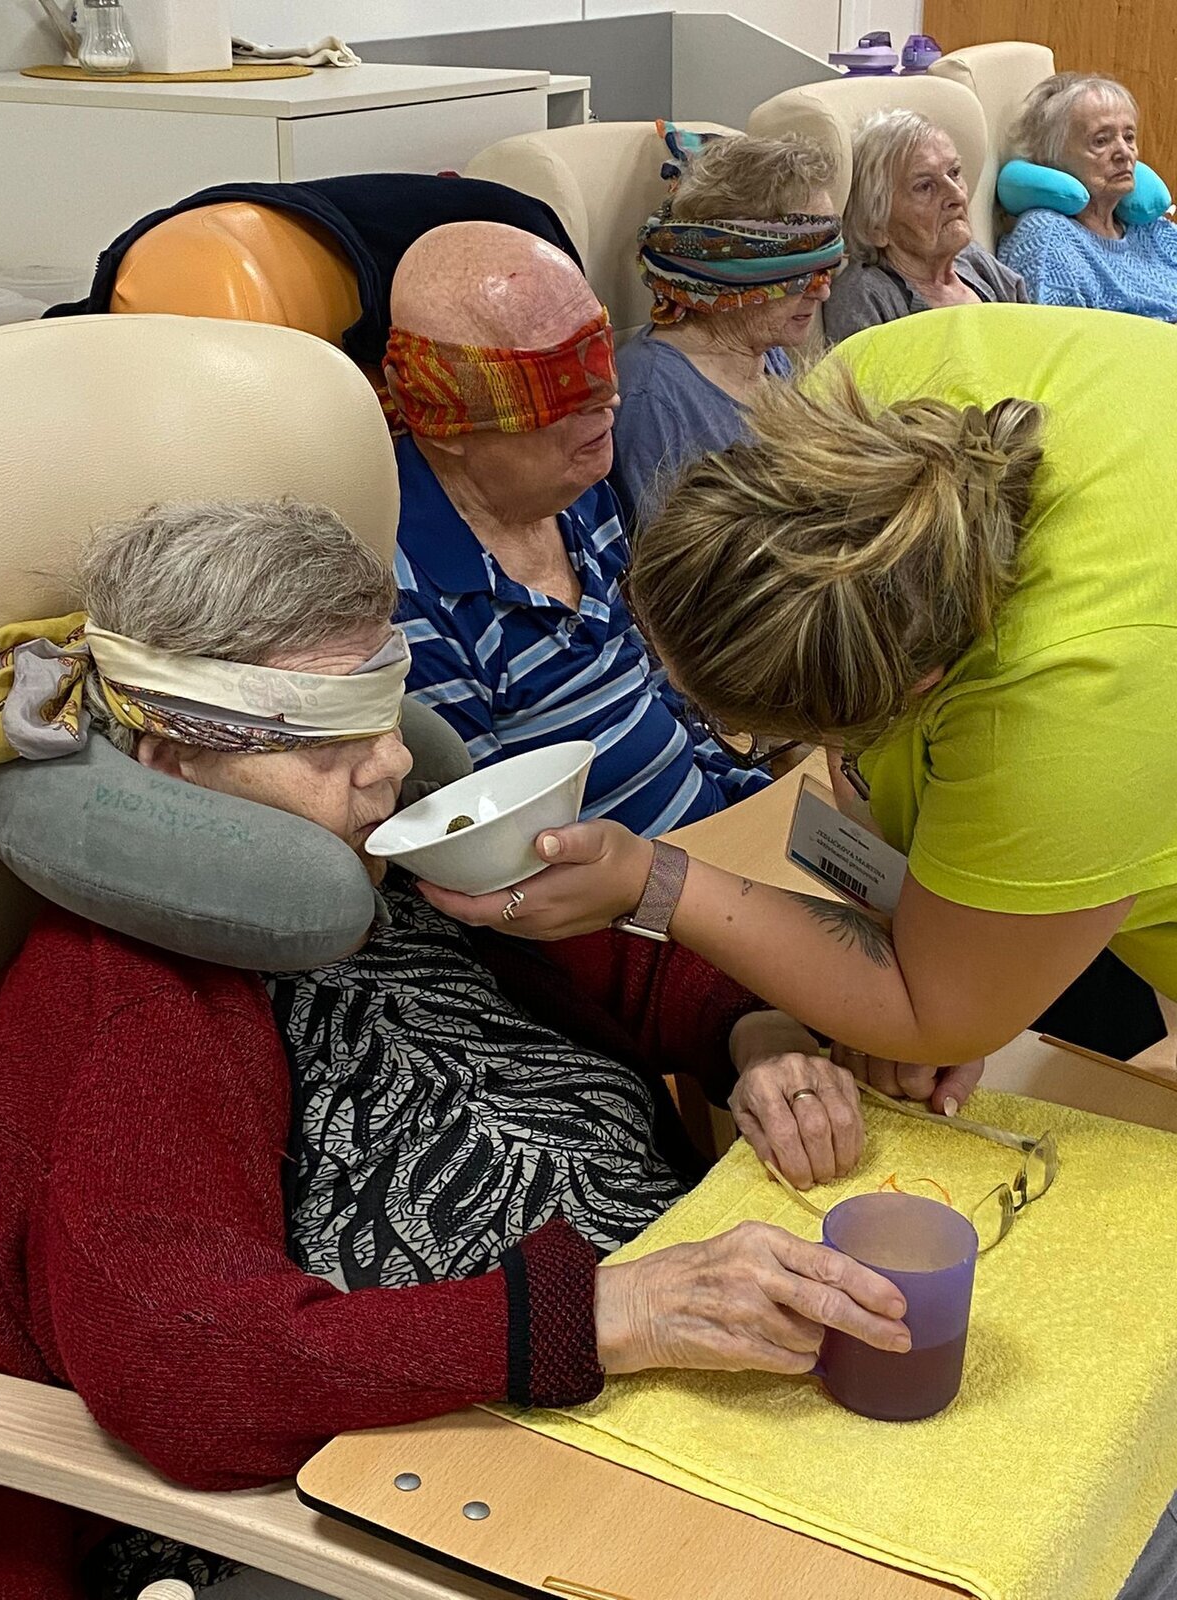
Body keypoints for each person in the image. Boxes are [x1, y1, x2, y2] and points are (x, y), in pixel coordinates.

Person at [0, 498, 912, 1600]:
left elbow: (628, 968)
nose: (390, 762)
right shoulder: (121, 1005)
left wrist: (759, 1039)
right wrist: (616, 1311)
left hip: (689, 1354)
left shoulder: (392, 865)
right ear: (177, 762)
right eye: (331, 734)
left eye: (387, 705)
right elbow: (184, 1361)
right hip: (407, 1499)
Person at [418, 303, 1177, 1092]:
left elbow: (940, 1014)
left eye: (729, 724)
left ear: (909, 690)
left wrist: (656, 882)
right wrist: (919, 951)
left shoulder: (1070, 709)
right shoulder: (856, 399)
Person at [386, 219, 785, 840]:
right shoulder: (407, 606)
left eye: (597, 352)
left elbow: (655, 694)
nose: (608, 400)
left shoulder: (578, 494)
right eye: (557, 385)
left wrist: (751, 791)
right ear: (442, 417)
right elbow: (498, 850)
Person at [611, 124, 843, 527]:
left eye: (828, 269)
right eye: (803, 275)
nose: (823, 292)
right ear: (733, 276)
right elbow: (668, 557)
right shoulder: (653, 400)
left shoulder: (769, 356)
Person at [823, 108, 1027, 346]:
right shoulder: (863, 298)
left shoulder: (973, 260)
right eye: (924, 187)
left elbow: (1040, 341)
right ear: (876, 227)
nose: (957, 195)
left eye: (955, 173)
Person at [997, 72, 1177, 320]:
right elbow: (1058, 337)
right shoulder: (1047, 238)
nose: (1124, 152)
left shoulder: (1154, 230)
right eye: (1101, 141)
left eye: (1129, 137)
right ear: (1051, 157)